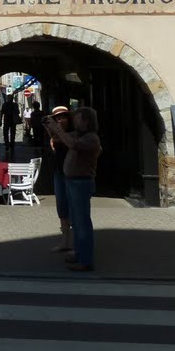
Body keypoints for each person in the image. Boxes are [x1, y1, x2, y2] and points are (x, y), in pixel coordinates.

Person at [46, 106, 102, 272]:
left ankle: (86, 261)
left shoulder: (91, 138)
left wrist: (58, 130)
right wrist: (51, 127)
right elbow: (59, 139)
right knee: (77, 222)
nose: (74, 121)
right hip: (73, 182)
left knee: (82, 222)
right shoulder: (79, 134)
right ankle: (78, 253)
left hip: (81, 183)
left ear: (86, 120)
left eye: (77, 118)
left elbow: (71, 143)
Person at [45, 106, 73, 253]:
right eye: (57, 118)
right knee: (61, 206)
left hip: (72, 173)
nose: (61, 120)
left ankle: (76, 242)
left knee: (73, 207)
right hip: (59, 172)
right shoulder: (56, 134)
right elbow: (54, 146)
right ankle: (66, 241)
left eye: (63, 117)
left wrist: (58, 132)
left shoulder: (73, 134)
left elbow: (70, 144)